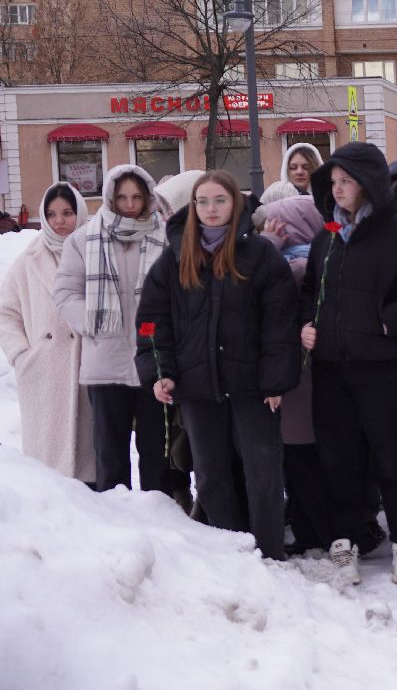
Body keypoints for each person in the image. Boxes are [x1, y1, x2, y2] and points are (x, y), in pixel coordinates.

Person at [135, 171, 300, 560]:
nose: (211, 209)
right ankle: (232, 553)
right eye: (203, 202)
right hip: (197, 386)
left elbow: (280, 323)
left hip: (252, 387)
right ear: (192, 207)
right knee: (210, 477)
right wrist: (160, 371)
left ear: (235, 205)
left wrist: (275, 381)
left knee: (262, 473)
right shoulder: (175, 257)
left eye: (220, 201)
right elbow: (150, 322)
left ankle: (269, 553)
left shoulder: (261, 255)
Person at [300, 142, 397, 587]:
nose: (338, 190)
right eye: (333, 182)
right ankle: (345, 542)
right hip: (332, 368)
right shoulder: (326, 236)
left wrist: (385, 325)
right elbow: (310, 294)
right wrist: (306, 325)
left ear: (369, 184)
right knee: (339, 458)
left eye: (347, 181)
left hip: (387, 366)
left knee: (392, 456)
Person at [53, 164, 182, 498]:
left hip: (153, 361)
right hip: (104, 362)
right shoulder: (84, 239)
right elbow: (66, 293)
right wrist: (92, 322)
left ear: (148, 196)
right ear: (110, 196)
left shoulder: (167, 237)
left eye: (137, 196)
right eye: (122, 196)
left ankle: (163, 520)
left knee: (158, 453)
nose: (129, 204)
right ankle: (117, 522)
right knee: (110, 454)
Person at [256, 190, 338, 555]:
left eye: (278, 223)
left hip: (299, 380)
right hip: (306, 377)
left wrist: (268, 246)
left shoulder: (297, 266)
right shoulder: (312, 260)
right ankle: (313, 528)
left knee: (302, 461)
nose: (272, 228)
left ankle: (316, 531)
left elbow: (254, 282)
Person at [0, 183, 95, 483]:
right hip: (44, 376)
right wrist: (22, 354)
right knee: (50, 477)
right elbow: (5, 312)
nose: (60, 221)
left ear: (79, 212)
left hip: (88, 369)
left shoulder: (96, 251)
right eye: (52, 214)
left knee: (91, 466)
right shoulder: (28, 260)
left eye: (67, 213)